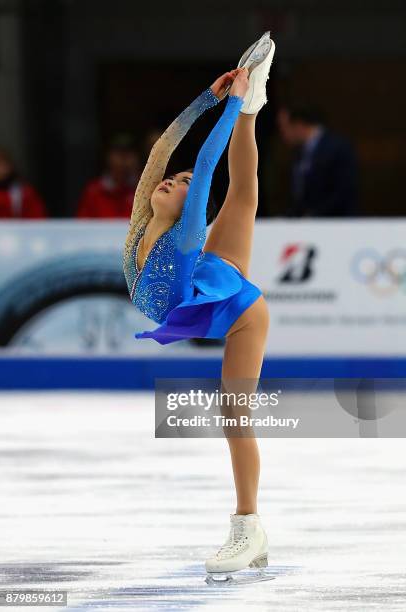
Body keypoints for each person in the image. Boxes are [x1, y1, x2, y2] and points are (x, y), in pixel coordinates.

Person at [123, 32, 275, 581]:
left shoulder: (188, 238)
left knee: (234, 413)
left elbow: (207, 166)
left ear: (192, 207)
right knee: (245, 197)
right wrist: (210, 100)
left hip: (237, 311)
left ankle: (248, 524)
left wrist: (230, 106)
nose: (171, 179)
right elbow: (164, 151)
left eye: (182, 184)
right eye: (171, 180)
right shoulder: (142, 220)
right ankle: (255, 106)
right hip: (212, 279)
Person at [277, 105, 358, 217]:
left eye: (284, 127)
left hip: (336, 225)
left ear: (299, 125)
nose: (282, 134)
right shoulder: (299, 153)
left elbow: (344, 192)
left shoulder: (338, 148)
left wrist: (314, 216)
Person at [77, 134, 141, 218]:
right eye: (119, 154)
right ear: (108, 157)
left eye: (128, 154)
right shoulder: (94, 191)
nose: (123, 160)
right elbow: (81, 225)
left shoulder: (144, 189)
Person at [0, 148, 46, 219]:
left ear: (10, 166)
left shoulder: (25, 193)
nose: (0, 169)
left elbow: (38, 220)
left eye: (2, 164)